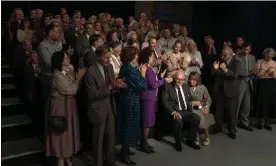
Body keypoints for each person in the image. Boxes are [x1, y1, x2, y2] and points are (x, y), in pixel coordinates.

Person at [85, 45, 126, 166]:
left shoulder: (109, 67)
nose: (108, 60)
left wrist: (117, 85)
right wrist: (109, 87)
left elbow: (112, 84)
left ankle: (110, 161)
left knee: (111, 138)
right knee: (98, 139)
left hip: (110, 107)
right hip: (98, 109)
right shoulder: (91, 71)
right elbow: (92, 94)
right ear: (97, 57)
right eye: (106, 57)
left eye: (109, 57)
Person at [45, 51, 80, 166]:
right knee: (60, 134)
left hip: (68, 106)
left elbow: (71, 86)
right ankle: (60, 160)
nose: (68, 59)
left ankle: (67, 157)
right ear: (60, 61)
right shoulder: (57, 75)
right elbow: (70, 90)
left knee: (68, 133)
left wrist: (74, 81)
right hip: (60, 107)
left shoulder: (67, 72)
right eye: (65, 58)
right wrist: (77, 81)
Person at [117, 46, 148, 165]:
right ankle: (124, 154)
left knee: (128, 125)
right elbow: (142, 86)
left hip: (128, 99)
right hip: (130, 100)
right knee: (128, 126)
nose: (137, 56)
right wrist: (143, 74)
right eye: (136, 54)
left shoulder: (126, 67)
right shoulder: (129, 69)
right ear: (132, 56)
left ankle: (125, 150)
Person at [161, 71, 201, 151]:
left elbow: (190, 99)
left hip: (185, 111)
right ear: (174, 79)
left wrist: (197, 103)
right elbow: (164, 101)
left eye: (182, 80)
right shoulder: (168, 87)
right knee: (178, 121)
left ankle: (190, 140)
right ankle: (178, 143)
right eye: (178, 79)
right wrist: (173, 112)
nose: (180, 82)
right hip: (175, 111)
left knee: (196, 117)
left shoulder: (186, 87)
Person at [211, 48, 246, 139]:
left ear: (231, 54)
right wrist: (215, 69)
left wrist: (226, 70)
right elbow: (212, 74)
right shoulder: (219, 61)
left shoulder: (236, 62)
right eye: (222, 54)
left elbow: (235, 75)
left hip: (231, 90)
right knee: (219, 111)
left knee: (232, 112)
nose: (223, 56)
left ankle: (232, 130)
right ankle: (218, 127)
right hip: (220, 90)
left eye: (225, 55)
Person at [139, 47, 167, 153]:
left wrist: (160, 77)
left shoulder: (148, 67)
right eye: (152, 56)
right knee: (146, 122)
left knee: (148, 121)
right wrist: (163, 80)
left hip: (149, 97)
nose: (153, 58)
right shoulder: (147, 68)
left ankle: (144, 142)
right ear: (148, 57)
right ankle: (144, 143)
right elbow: (153, 84)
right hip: (147, 98)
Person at [188, 72, 215, 146]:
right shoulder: (188, 89)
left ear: (198, 80)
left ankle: (207, 136)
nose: (192, 81)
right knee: (195, 118)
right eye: (191, 79)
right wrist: (193, 103)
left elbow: (208, 100)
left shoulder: (202, 87)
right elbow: (187, 102)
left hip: (203, 107)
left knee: (203, 117)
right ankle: (196, 137)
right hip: (193, 108)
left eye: (194, 80)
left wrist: (206, 107)